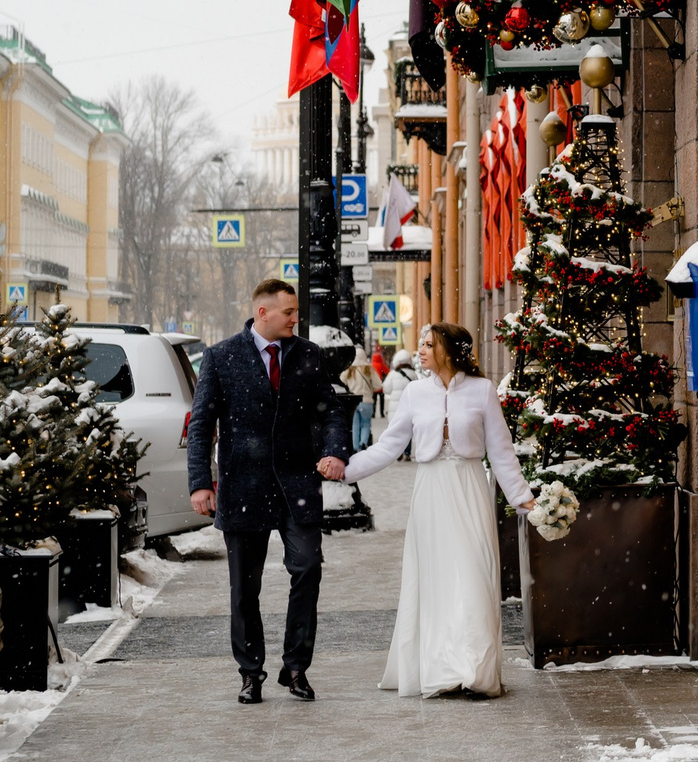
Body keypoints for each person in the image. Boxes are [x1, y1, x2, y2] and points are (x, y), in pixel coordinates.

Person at [330, 322, 533, 697]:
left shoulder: (482, 391)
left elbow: (501, 451)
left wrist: (522, 497)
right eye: (420, 344)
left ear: (449, 350)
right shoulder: (414, 393)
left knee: (473, 573)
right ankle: (441, 670)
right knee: (436, 580)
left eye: (428, 344)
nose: (421, 350)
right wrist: (347, 469)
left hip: (469, 488)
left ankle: (475, 670)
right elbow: (389, 446)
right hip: (430, 493)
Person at [186, 278, 353, 705]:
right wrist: (200, 484)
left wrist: (335, 451)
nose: (297, 319)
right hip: (244, 486)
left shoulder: (308, 355)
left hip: (297, 484)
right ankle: (250, 672)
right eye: (289, 312)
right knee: (245, 587)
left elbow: (332, 410)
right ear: (263, 313)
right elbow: (202, 424)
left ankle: (296, 667)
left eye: (297, 311)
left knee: (308, 569)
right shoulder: (222, 357)